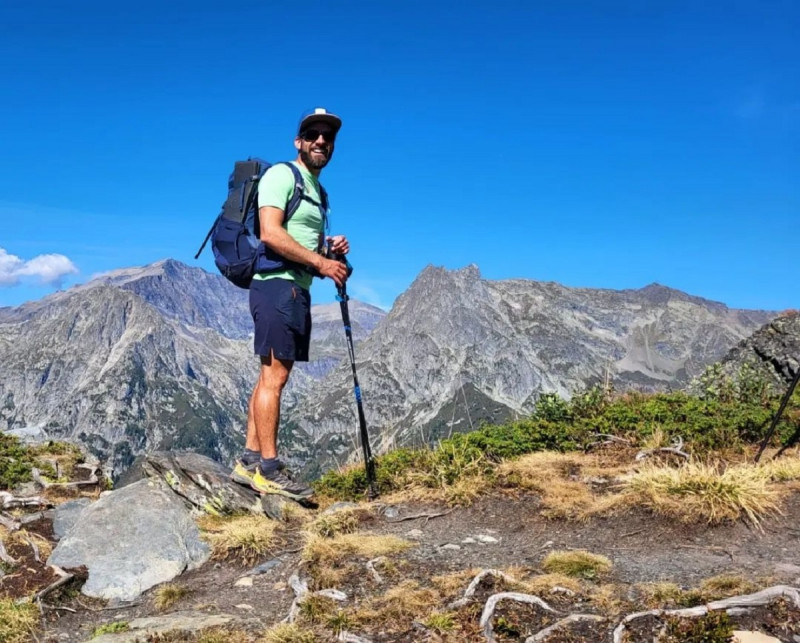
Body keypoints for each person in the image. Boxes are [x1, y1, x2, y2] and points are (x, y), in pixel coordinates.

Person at [230, 108, 350, 500]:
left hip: (294, 288)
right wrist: (322, 262)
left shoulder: (317, 191)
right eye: (312, 135)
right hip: (276, 286)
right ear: (298, 142)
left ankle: (248, 461)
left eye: (327, 137)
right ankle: (269, 468)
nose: (320, 141)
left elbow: (297, 242)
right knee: (275, 378)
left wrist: (325, 249)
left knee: (269, 374)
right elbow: (270, 234)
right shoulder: (283, 175)